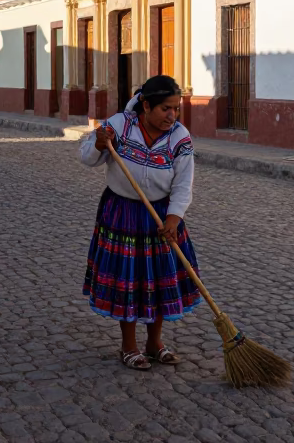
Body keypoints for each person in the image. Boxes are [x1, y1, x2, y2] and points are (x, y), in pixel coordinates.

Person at [79, 74, 200, 370]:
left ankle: (154, 342)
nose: (171, 116)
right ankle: (129, 345)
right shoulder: (119, 125)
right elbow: (87, 159)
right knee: (129, 279)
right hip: (123, 213)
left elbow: (183, 184)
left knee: (158, 279)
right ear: (145, 106)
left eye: (176, 108)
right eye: (164, 109)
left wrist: (174, 218)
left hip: (161, 216)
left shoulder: (180, 137)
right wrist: (98, 143)